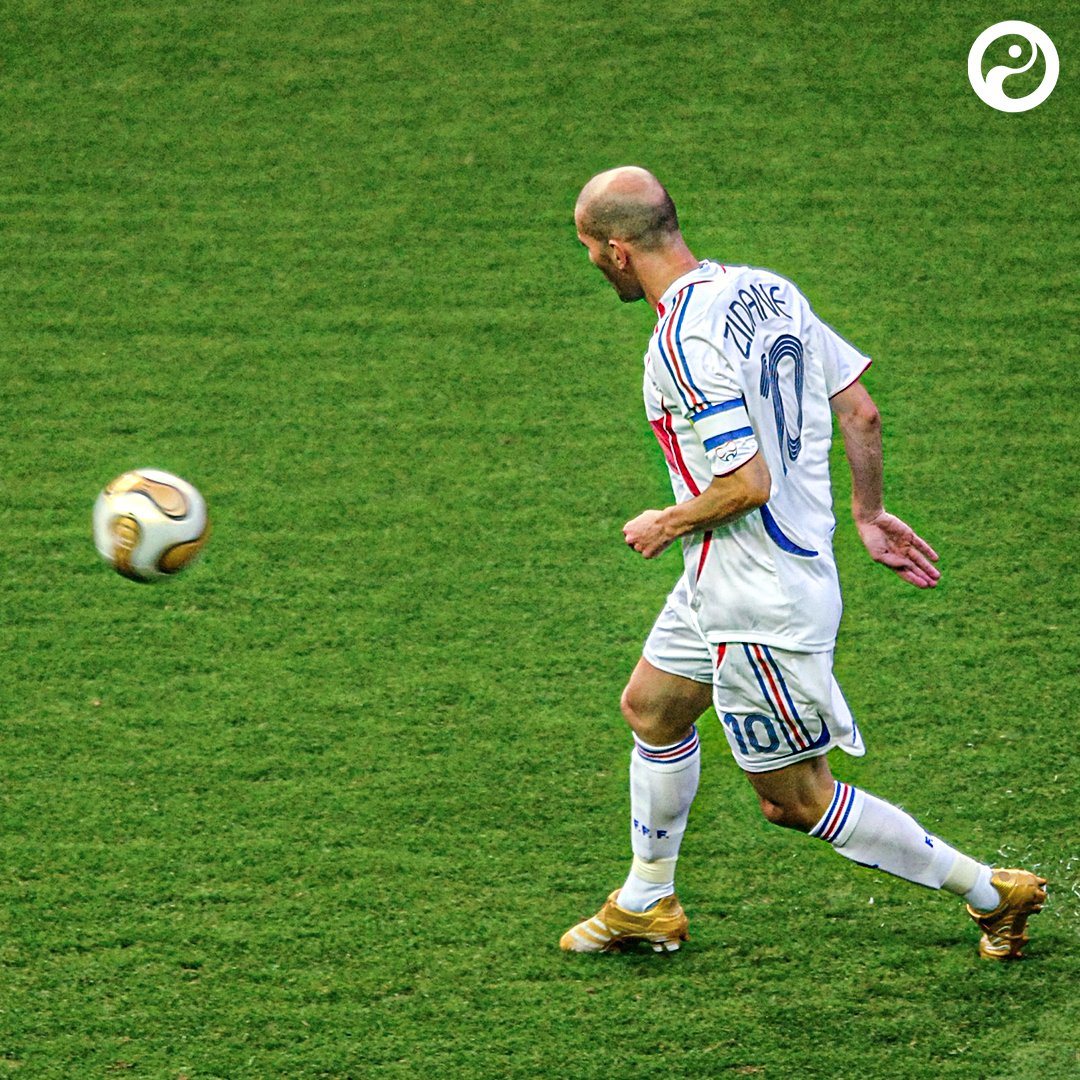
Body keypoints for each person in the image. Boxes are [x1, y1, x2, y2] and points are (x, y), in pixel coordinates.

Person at [560, 165, 1046, 960]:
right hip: (722, 576)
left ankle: (993, 893)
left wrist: (665, 521)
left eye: (587, 247)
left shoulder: (680, 342)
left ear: (616, 249)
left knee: (795, 801)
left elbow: (745, 483)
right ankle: (648, 901)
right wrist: (867, 511)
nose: (588, 261)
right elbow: (859, 406)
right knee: (653, 708)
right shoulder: (766, 290)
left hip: (761, 600)